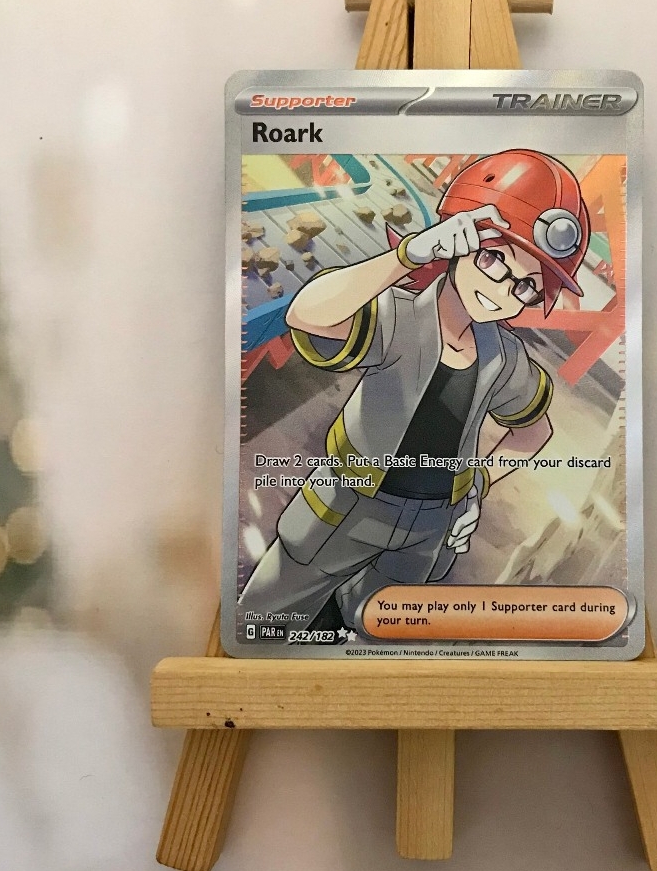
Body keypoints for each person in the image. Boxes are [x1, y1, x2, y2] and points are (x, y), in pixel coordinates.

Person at [238, 149, 591, 632]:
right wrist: (407, 255)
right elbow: (307, 313)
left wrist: (478, 486)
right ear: (458, 240)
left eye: (526, 286)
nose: (504, 290)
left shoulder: (506, 357)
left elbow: (534, 431)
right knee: (265, 622)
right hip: (345, 508)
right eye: (493, 259)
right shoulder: (397, 316)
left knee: (376, 634)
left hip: (431, 529)